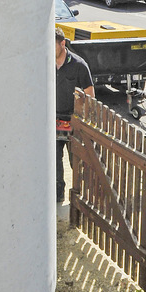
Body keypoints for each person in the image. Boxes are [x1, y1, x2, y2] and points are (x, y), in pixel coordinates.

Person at [54, 26, 94, 205]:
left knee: (76, 162)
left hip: (73, 123)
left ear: (63, 44)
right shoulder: (45, 62)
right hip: (52, 121)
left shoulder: (79, 65)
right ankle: (57, 195)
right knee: (54, 161)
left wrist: (82, 123)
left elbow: (90, 96)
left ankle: (81, 199)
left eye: (53, 45)